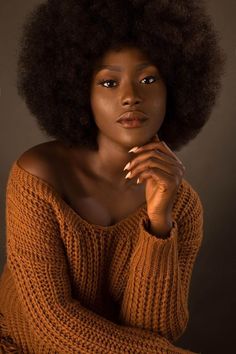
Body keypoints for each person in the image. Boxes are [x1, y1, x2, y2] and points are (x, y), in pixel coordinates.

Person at [0, 0, 225, 353]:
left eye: (148, 79)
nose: (131, 97)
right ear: (80, 92)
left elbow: (157, 330)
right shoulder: (39, 177)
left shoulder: (182, 205)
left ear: (174, 89)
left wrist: (158, 222)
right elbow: (50, 324)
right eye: (108, 82)